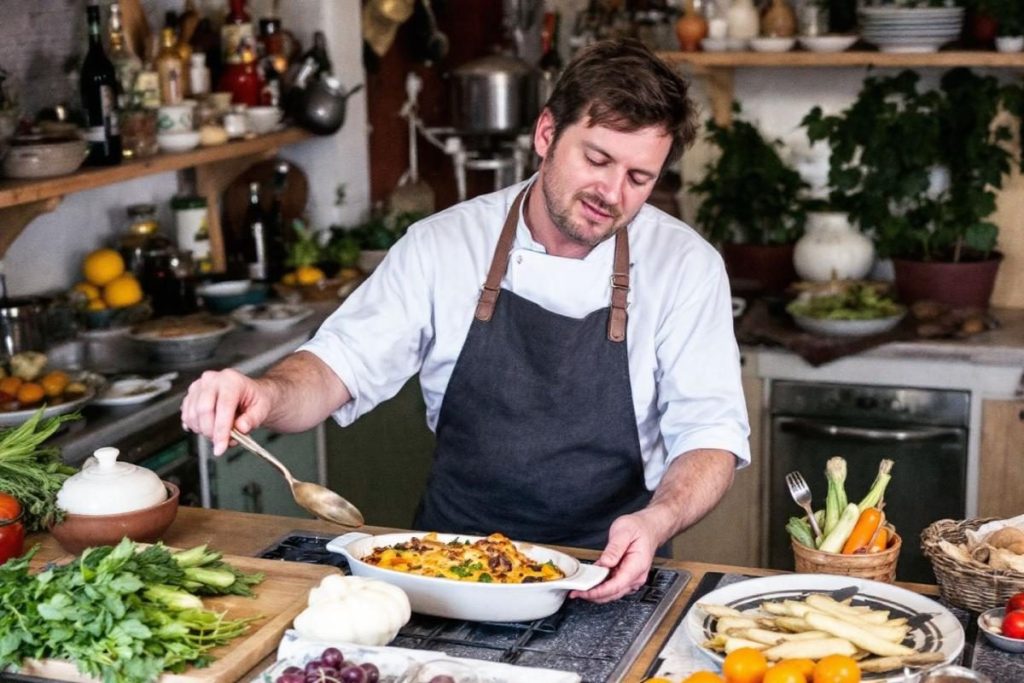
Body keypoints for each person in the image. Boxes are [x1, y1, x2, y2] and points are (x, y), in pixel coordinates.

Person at [181, 38, 750, 603]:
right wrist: (264, 391)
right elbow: (337, 367)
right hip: (450, 566)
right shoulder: (443, 245)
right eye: (597, 160)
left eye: (639, 178)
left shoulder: (686, 266)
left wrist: (658, 521)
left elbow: (710, 437)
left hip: (611, 571)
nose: (612, 193)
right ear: (547, 134)